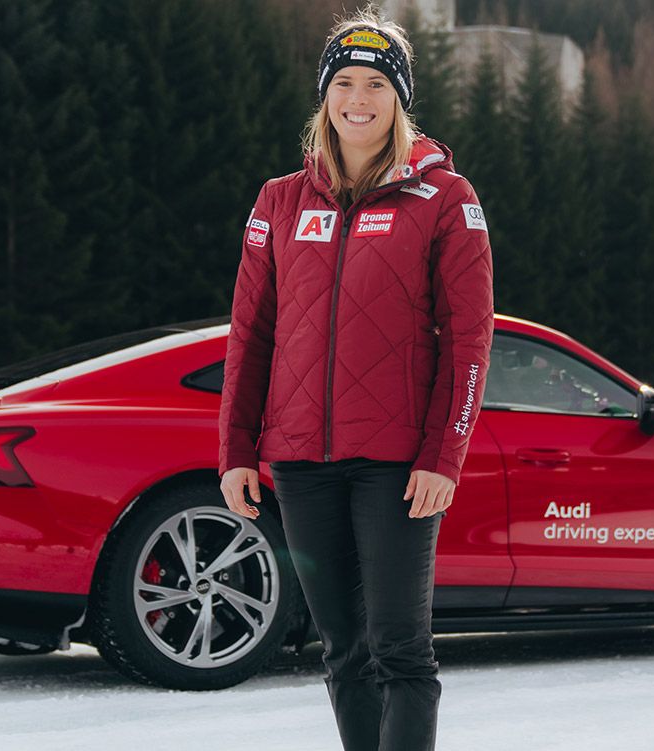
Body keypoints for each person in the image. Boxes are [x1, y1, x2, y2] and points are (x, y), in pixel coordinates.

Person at [217, 6, 494, 750]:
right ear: (325, 96)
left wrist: (444, 456)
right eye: (344, 82)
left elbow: (470, 342)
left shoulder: (445, 199)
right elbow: (251, 334)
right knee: (342, 650)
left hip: (398, 465)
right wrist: (237, 449)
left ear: (399, 98)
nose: (359, 99)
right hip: (302, 461)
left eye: (376, 83)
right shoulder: (279, 201)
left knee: (399, 648)